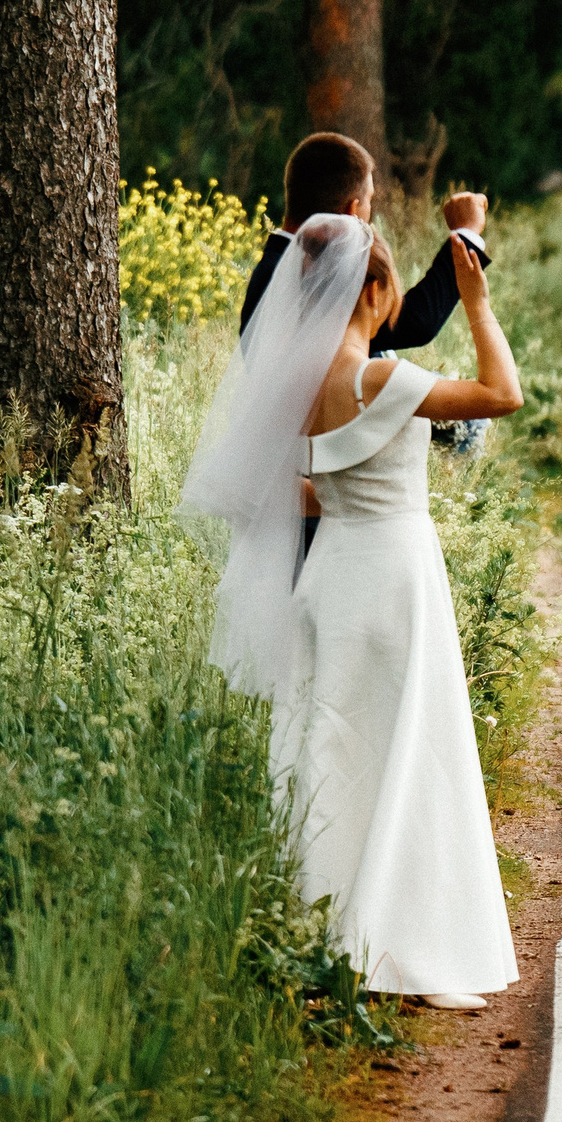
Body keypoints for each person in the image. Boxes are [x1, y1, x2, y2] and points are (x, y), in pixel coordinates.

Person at [180, 211, 525, 1012]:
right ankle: (403, 949)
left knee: (327, 748)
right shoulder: (380, 379)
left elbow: (288, 487)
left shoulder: (297, 387)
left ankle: (327, 937)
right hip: (395, 573)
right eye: (392, 282)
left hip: (329, 577)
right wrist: (475, 301)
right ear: (372, 288)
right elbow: (503, 394)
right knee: (410, 749)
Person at [240, 132, 489, 340]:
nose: (371, 212)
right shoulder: (303, 276)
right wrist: (465, 234)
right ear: (351, 211)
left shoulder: (275, 266)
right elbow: (412, 322)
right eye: (369, 199)